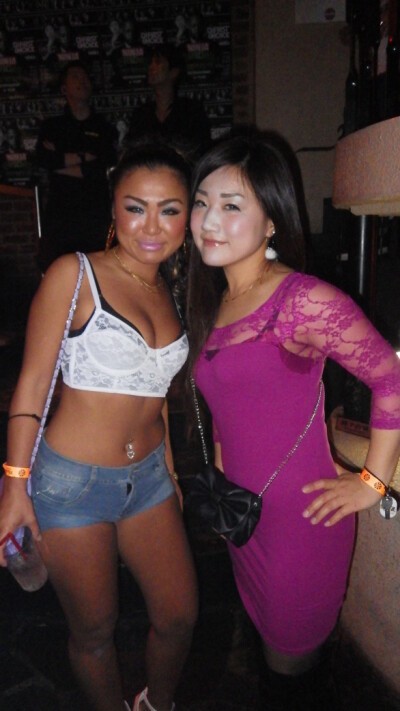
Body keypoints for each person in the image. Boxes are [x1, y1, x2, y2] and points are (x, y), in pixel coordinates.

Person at [186, 129, 400, 709]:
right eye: (202, 202)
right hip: (245, 516)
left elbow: (390, 377)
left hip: (301, 522)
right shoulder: (217, 300)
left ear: (272, 222)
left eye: (232, 205)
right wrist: (225, 482)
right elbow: (230, 408)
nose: (209, 220)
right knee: (268, 659)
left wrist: (372, 482)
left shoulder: (302, 301)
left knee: (291, 674)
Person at [0, 141, 198, 711]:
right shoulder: (76, 274)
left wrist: (169, 469)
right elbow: (32, 384)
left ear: (188, 216)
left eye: (169, 209)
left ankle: (155, 704)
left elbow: (155, 390)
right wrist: (14, 486)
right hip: (72, 486)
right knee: (94, 630)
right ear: (114, 208)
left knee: (179, 616)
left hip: (150, 481)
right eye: (136, 207)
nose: (152, 226)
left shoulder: (172, 286)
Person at [35, 61, 117, 272]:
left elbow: (102, 168)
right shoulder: (52, 127)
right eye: (75, 77)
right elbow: (44, 160)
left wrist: (61, 161)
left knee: (100, 273)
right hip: (61, 217)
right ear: (64, 89)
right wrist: (84, 157)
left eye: (85, 76)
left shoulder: (104, 127)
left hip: (96, 215)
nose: (82, 81)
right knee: (60, 274)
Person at [126, 45, 210, 162]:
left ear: (174, 72)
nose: (151, 67)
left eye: (158, 62)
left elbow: (200, 150)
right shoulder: (141, 114)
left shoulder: (190, 111)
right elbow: (131, 151)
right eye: (150, 63)